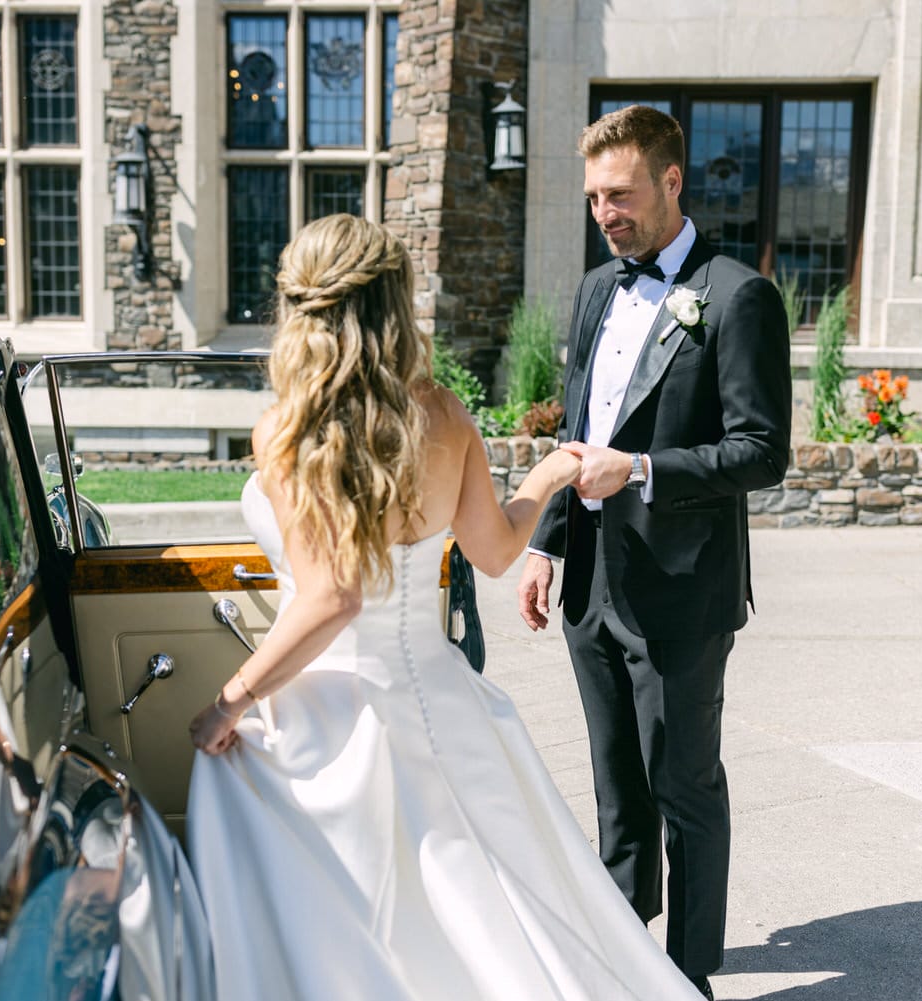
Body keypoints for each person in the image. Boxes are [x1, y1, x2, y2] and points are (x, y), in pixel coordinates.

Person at [186, 214, 708, 1000]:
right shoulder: (444, 416)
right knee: (481, 897)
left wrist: (230, 700)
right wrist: (549, 476)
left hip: (326, 711)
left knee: (311, 877)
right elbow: (496, 552)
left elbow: (332, 597)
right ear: (396, 306)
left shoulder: (289, 432)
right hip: (434, 689)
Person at [517, 105, 792, 998]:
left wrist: (638, 469)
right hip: (593, 584)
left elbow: (761, 451)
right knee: (614, 786)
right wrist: (545, 546)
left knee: (683, 785)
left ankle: (689, 973)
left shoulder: (739, 295)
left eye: (622, 194)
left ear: (674, 182)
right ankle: (623, 952)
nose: (606, 212)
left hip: (683, 590)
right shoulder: (599, 288)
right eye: (596, 196)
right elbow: (576, 428)